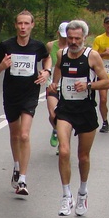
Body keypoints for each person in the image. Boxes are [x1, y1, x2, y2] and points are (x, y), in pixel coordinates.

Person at [48, 20, 109, 217]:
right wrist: (54, 83)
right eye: (70, 38)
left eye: (77, 38)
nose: (73, 42)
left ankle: (82, 192)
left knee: (83, 156)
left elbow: (106, 81)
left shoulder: (92, 56)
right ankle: (66, 196)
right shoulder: (61, 54)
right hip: (66, 110)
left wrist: (89, 86)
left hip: (86, 111)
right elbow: (58, 69)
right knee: (64, 151)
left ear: (84, 38)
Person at [0, 10, 52, 196]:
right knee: (15, 134)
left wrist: (46, 71)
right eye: (20, 24)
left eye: (26, 24)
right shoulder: (6, 45)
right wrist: (2, 66)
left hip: (30, 94)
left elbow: (47, 57)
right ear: (16, 25)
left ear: (32, 25)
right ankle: (16, 166)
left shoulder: (37, 46)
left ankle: (23, 180)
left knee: (24, 135)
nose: (23, 27)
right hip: (11, 94)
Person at [45, 21, 69, 152]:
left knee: (64, 115)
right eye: (63, 36)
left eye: (67, 36)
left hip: (67, 84)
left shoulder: (73, 46)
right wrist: (46, 70)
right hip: (52, 83)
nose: (65, 39)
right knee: (53, 114)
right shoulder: (50, 45)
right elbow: (45, 59)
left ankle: (62, 142)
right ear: (58, 33)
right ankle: (55, 129)